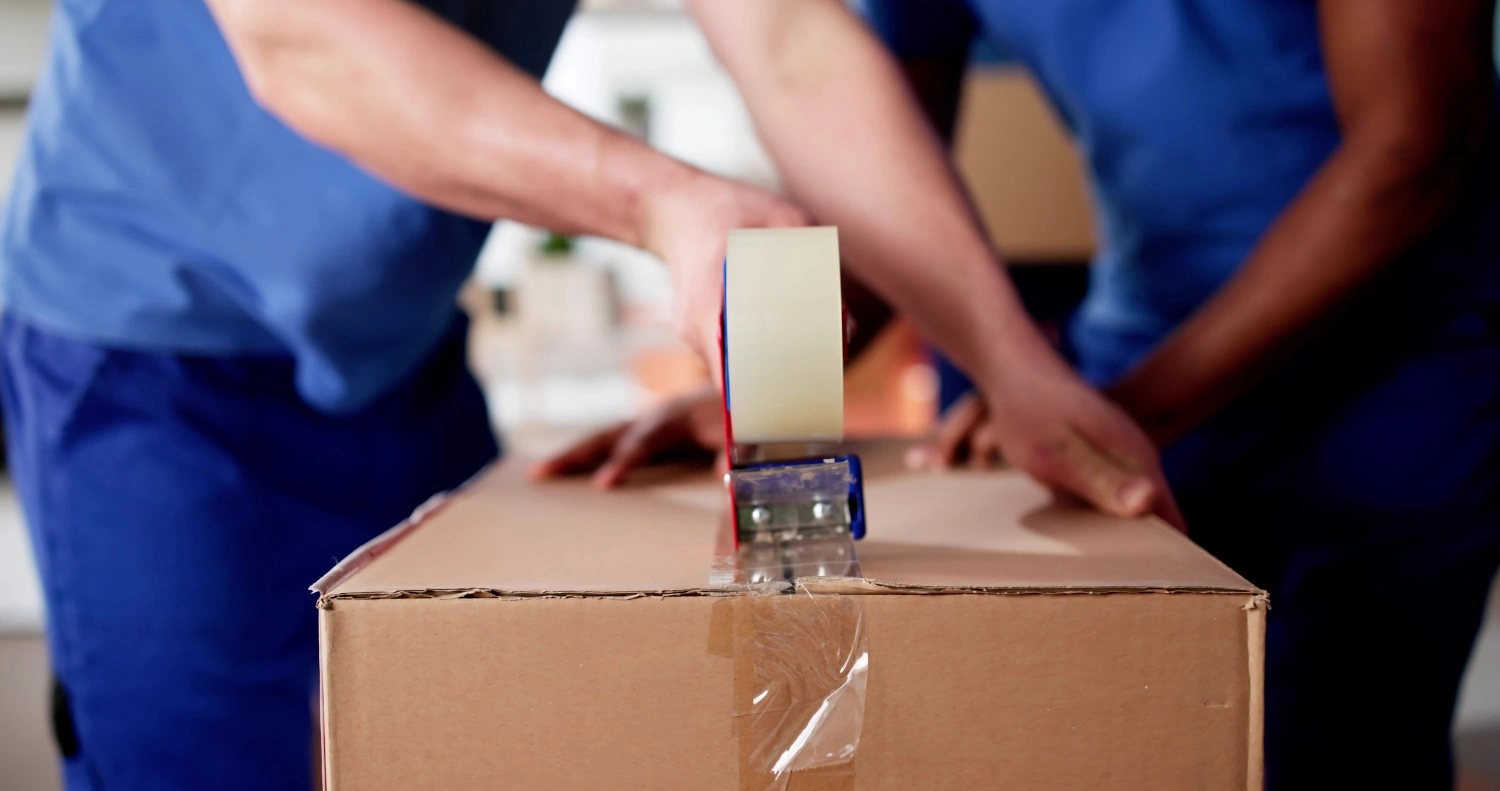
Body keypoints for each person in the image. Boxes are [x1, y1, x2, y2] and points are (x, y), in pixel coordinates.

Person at [1, 0, 1174, 788]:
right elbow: (308, 38)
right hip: (144, 343)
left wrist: (1011, 355)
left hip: (399, 352)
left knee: (452, 745)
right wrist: (662, 201)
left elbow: (792, 43)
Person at [539, 1, 1500, 788]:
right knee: (1141, 746)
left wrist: (1079, 397)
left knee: (1343, 748)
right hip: (1137, 339)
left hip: (1396, 359)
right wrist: (771, 387)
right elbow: (876, 182)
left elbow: (1414, 143)